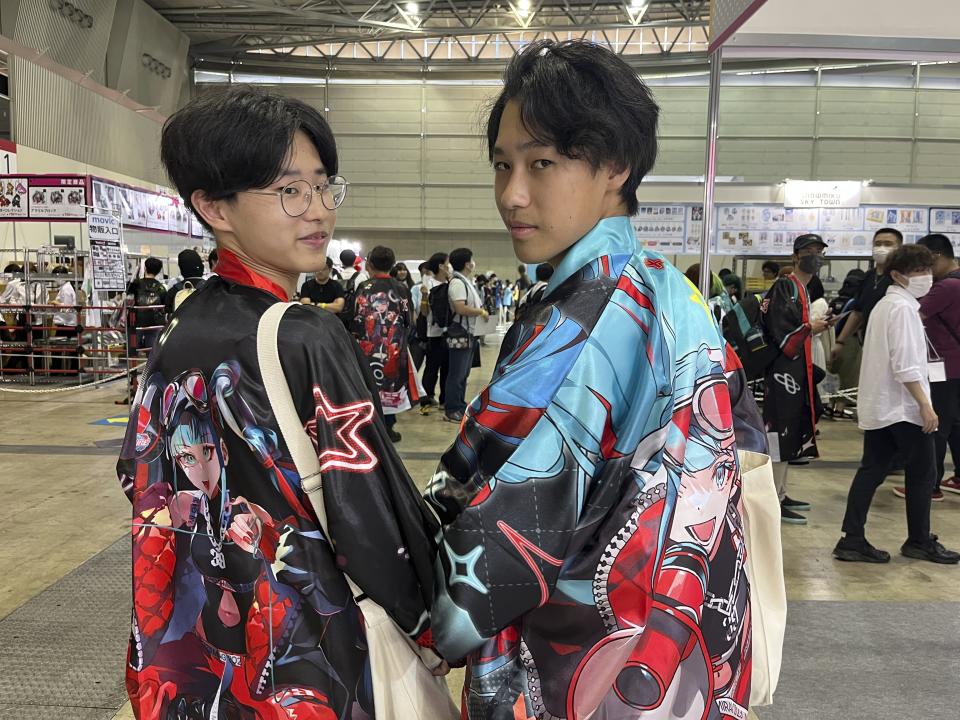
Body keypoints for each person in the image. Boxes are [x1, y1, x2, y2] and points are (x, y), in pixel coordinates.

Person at [426, 39, 752, 720]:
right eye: (501, 165)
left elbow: (507, 535)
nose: (512, 194)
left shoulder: (594, 310)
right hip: (671, 643)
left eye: (542, 163)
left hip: (584, 666)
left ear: (616, 167)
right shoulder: (667, 289)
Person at [117, 86, 442, 719]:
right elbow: (371, 518)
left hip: (192, 654)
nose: (316, 210)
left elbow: (137, 476)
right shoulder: (305, 334)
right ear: (213, 206)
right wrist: (431, 617)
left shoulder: (177, 335)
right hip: (305, 658)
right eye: (288, 190)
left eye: (323, 186)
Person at [833, 244, 960, 564]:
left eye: (927, 270)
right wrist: (925, 406)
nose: (925, 277)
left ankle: (852, 538)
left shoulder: (886, 305)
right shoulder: (903, 309)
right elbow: (906, 364)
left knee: (872, 470)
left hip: (881, 404)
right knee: (923, 472)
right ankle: (918, 541)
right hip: (904, 407)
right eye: (917, 272)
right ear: (897, 275)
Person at [761, 233, 832, 524]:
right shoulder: (785, 286)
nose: (814, 256)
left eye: (819, 251)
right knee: (779, 433)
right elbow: (780, 331)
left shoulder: (801, 288)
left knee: (791, 432)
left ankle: (781, 491)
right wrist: (810, 328)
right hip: (782, 373)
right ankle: (772, 497)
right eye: (809, 251)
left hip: (795, 371)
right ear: (795, 256)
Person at [891, 233, 960, 499]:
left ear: (938, 257)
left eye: (927, 266)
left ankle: (929, 485)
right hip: (955, 366)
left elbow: (914, 314)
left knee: (936, 426)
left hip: (943, 365)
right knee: (954, 424)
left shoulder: (946, 288)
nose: (926, 273)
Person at [351, 245, 417, 443]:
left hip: (366, 347)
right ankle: (388, 427)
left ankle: (372, 428)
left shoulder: (364, 287)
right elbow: (408, 317)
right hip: (394, 346)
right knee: (390, 386)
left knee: (369, 385)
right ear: (393, 265)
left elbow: (355, 317)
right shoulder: (402, 289)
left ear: (369, 264)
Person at [831, 227, 904, 362]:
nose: (881, 247)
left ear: (899, 248)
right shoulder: (868, 276)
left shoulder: (902, 277)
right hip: (869, 344)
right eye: (877, 244)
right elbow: (857, 312)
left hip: (897, 347)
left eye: (888, 244)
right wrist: (840, 341)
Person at [443, 247, 487, 423]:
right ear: (468, 263)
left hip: (469, 333)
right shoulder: (457, 283)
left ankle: (459, 404)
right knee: (457, 374)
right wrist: (480, 312)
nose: (473, 263)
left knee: (464, 373)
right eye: (472, 260)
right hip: (460, 333)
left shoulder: (465, 281)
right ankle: (451, 408)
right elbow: (460, 308)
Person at [419, 252, 450, 415]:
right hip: (434, 332)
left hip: (449, 332)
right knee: (432, 367)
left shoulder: (452, 283)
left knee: (447, 367)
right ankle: (427, 397)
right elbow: (424, 312)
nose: (449, 266)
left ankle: (444, 400)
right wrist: (424, 296)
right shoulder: (428, 283)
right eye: (447, 263)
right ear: (441, 266)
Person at [127, 257, 168, 356]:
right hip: (154, 324)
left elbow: (127, 297)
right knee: (152, 351)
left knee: (132, 350)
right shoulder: (161, 288)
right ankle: (149, 370)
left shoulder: (135, 284)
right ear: (158, 271)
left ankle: (133, 370)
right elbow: (165, 305)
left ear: (145, 268)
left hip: (135, 322)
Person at [50, 265, 80, 376]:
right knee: (70, 348)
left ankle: (57, 370)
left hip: (66, 323)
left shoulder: (66, 288)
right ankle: (72, 370)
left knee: (58, 348)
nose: (54, 280)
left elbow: (67, 307)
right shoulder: (66, 287)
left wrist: (55, 303)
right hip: (67, 322)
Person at [164, 249, 206, 320]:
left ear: (181, 268)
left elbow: (168, 315)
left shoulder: (173, 291)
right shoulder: (210, 287)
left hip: (181, 329)